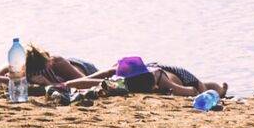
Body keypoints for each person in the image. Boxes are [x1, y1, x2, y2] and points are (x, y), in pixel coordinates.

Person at [65, 56, 227, 97]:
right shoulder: (121, 76)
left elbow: (191, 90)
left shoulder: (159, 80)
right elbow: (92, 80)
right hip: (145, 68)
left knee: (206, 87)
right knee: (109, 71)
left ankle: (220, 87)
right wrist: (66, 84)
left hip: (179, 75)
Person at [0, 43, 98, 87]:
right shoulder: (17, 67)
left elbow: (85, 81)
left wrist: (49, 84)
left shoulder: (56, 63)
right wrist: (14, 81)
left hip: (84, 69)